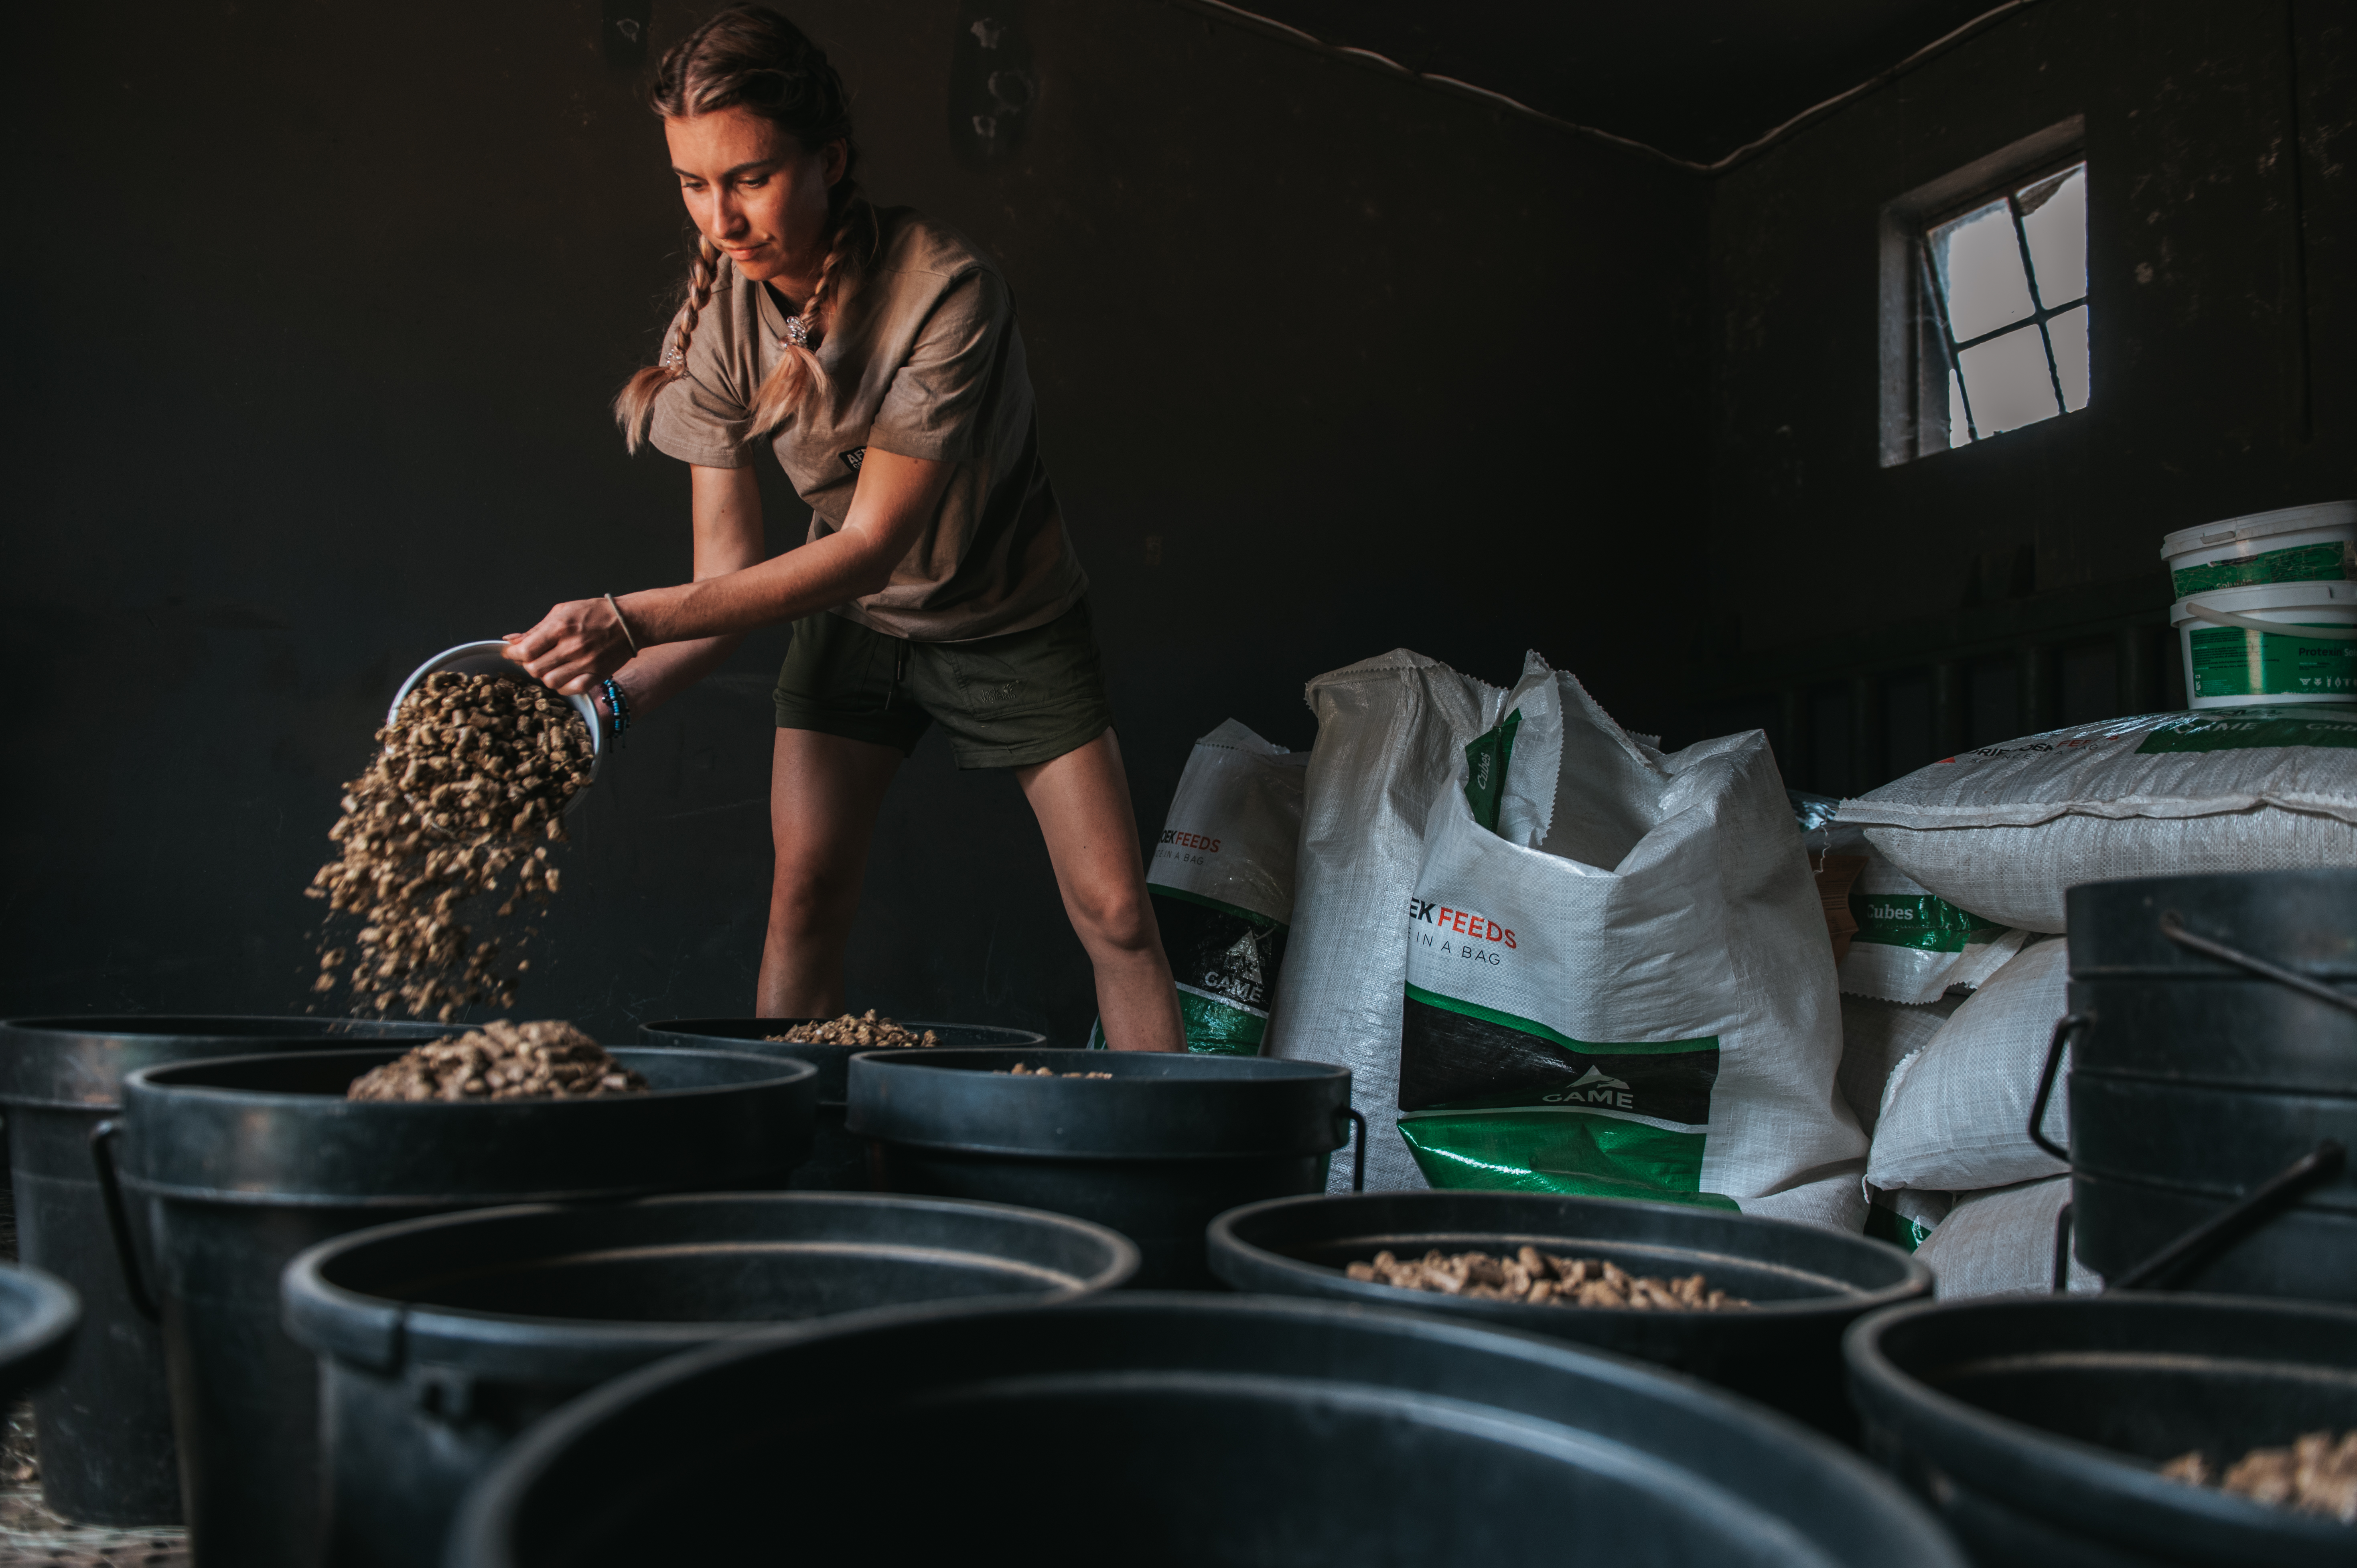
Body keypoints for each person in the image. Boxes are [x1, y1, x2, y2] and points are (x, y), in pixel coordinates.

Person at [503, 4, 1183, 1051]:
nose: (719, 221)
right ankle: (792, 1166)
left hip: (1004, 616)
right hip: (849, 623)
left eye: (750, 178)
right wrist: (591, 715)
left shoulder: (947, 295)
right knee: (804, 897)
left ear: (830, 159)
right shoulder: (721, 323)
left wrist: (621, 616)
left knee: (1115, 916)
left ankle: (1163, 1177)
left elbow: (872, 544)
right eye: (694, 182)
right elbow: (722, 593)